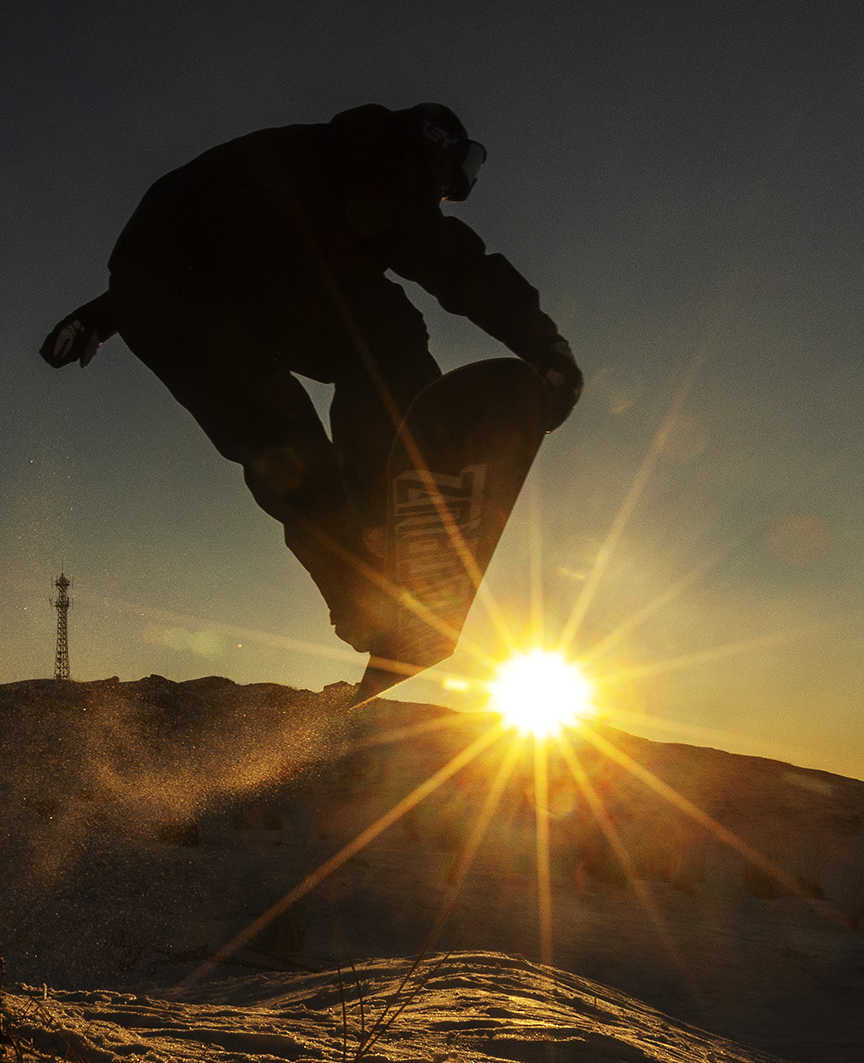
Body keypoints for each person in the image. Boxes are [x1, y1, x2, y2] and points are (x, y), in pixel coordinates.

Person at [39, 102, 583, 655]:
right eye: (463, 168)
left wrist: (108, 313)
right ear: (438, 146)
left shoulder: (307, 158)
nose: (447, 191)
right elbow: (454, 262)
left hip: (157, 294)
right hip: (241, 268)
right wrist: (544, 344)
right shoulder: (384, 156)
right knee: (386, 330)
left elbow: (190, 240)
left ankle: (366, 603)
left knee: (283, 451)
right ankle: (396, 490)